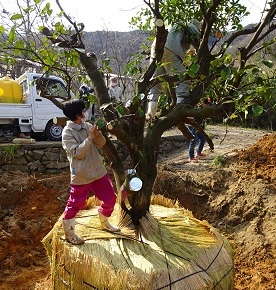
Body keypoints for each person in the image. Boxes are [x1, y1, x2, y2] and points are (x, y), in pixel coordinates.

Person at [61, 99, 120, 245]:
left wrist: (98, 134)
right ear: (77, 114)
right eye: (83, 110)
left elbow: (101, 144)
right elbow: (77, 153)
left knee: (110, 198)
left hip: (98, 171)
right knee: (75, 204)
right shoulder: (67, 132)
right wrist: (89, 138)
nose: (85, 112)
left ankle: (104, 220)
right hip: (82, 174)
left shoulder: (87, 125)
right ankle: (69, 232)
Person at [146, 20, 217, 119]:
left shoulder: (175, 26)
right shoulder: (192, 27)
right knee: (183, 79)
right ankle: (180, 111)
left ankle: (150, 113)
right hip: (171, 50)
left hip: (156, 49)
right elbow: (200, 46)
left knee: (155, 82)